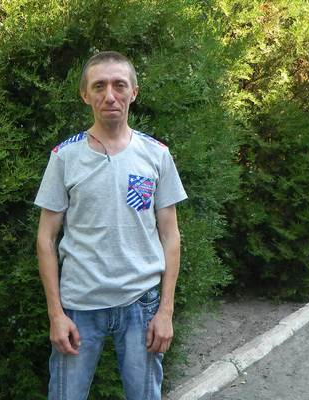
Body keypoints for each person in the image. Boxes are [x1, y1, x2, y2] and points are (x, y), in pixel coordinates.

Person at [35, 51, 188, 400]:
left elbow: (170, 236)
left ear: (134, 92)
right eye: (99, 86)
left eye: (119, 85)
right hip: (79, 306)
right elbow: (45, 238)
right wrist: (56, 314)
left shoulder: (157, 154)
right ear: (85, 95)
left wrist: (166, 311)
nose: (110, 95)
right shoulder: (64, 157)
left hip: (141, 305)